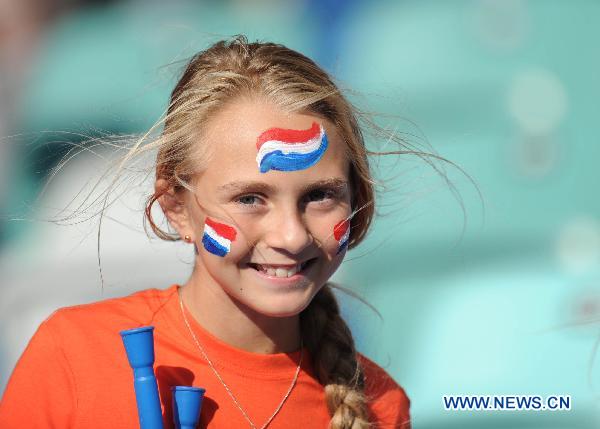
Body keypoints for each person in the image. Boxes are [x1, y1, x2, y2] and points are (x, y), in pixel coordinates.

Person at [0, 36, 411, 428]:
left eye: (320, 195)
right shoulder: (75, 355)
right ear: (176, 207)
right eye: (250, 199)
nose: (291, 236)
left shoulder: (382, 406)